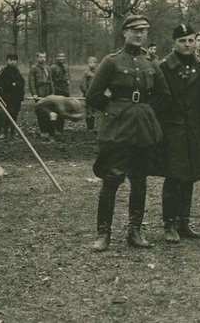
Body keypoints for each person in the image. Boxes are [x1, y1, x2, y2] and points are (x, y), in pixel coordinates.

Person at [85, 15, 169, 251]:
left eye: (143, 30)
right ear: (124, 33)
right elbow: (94, 95)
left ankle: (135, 232)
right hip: (117, 129)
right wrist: (114, 110)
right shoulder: (111, 61)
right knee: (111, 180)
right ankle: (103, 234)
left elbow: (164, 95)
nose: (139, 34)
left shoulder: (150, 62)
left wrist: (147, 112)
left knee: (139, 180)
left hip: (143, 128)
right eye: (134, 30)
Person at [158, 24, 200, 243]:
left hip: (195, 128)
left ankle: (184, 222)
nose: (188, 45)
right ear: (174, 43)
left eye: (191, 40)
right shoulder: (164, 67)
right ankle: (169, 223)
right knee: (174, 176)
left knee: (190, 175)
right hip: (172, 128)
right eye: (183, 41)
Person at [0, 53, 26, 139]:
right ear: (7, 61)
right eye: (11, 60)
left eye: (14, 60)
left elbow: (22, 82)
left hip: (16, 97)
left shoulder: (17, 71)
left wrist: (16, 84)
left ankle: (12, 132)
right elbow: (1, 84)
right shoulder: (4, 71)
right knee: (7, 114)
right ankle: (4, 131)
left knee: (15, 114)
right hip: (7, 97)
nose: (12, 62)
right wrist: (11, 85)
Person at [29, 52, 55, 139]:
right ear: (37, 58)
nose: (42, 59)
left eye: (44, 57)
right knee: (41, 113)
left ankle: (50, 131)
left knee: (49, 112)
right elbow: (31, 83)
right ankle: (43, 131)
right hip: (39, 93)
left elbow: (50, 81)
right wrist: (34, 94)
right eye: (40, 57)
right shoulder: (34, 69)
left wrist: (52, 93)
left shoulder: (47, 68)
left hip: (48, 93)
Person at [51, 51, 71, 133]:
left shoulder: (66, 67)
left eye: (63, 56)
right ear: (56, 58)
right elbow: (51, 80)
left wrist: (68, 89)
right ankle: (55, 128)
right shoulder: (53, 67)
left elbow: (68, 78)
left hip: (64, 91)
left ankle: (61, 128)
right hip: (57, 91)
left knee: (63, 111)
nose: (61, 58)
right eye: (59, 56)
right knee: (56, 110)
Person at [80, 56, 98, 130]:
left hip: (96, 94)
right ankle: (89, 128)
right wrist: (86, 92)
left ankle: (93, 127)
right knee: (88, 111)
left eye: (92, 63)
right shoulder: (86, 73)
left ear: (96, 64)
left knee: (94, 111)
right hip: (88, 94)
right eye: (89, 63)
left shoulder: (98, 73)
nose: (90, 64)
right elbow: (82, 85)